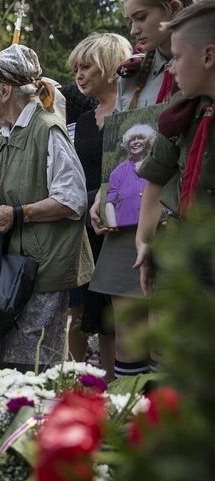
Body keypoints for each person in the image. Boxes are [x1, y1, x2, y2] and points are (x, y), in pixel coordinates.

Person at [0, 44, 93, 372]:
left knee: (36, 363)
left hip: (46, 265)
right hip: (12, 266)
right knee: (3, 362)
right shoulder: (1, 137)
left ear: (5, 90)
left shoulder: (47, 129)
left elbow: (72, 199)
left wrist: (18, 214)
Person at [89, 0, 191, 379]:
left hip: (179, 213)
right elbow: (119, 139)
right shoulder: (133, 73)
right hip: (130, 218)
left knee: (170, 341)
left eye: (141, 17)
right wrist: (103, 194)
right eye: (129, 20)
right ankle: (130, 428)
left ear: (173, 8)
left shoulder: (200, 61)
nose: (132, 31)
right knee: (128, 337)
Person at [135, 0, 215, 293]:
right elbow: (157, 174)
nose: (170, 66)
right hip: (186, 252)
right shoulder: (180, 111)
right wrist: (144, 242)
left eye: (178, 57)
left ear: (208, 56)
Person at [66, 33, 132, 379]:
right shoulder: (82, 122)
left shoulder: (136, 111)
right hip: (85, 231)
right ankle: (86, 389)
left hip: (125, 229)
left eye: (86, 66)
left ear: (109, 66)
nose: (79, 74)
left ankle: (121, 393)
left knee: (118, 319)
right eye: (76, 68)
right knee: (83, 314)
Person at [106, 125, 156, 228]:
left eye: (140, 138)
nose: (135, 142)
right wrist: (113, 226)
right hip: (124, 230)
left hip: (153, 228)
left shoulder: (157, 165)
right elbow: (110, 202)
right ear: (127, 144)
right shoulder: (118, 172)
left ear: (147, 142)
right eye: (132, 140)